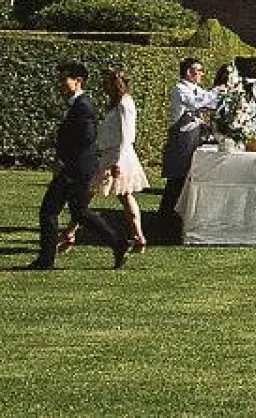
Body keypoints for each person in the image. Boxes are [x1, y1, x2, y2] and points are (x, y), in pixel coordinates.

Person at [30, 62, 128, 270]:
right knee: (78, 212)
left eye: (65, 79)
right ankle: (117, 243)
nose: (61, 85)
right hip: (77, 167)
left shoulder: (83, 105)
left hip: (76, 169)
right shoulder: (78, 104)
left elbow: (87, 137)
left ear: (78, 81)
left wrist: (65, 159)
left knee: (50, 211)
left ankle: (46, 259)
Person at [88, 66, 149, 254]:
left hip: (118, 155)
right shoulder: (116, 103)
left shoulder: (125, 104)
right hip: (111, 153)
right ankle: (138, 236)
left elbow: (127, 135)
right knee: (124, 196)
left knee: (89, 192)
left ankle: (69, 232)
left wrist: (118, 162)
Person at [158, 56, 213, 229]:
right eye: (199, 70)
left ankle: (178, 215)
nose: (201, 74)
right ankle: (165, 217)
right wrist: (218, 91)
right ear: (189, 71)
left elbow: (209, 101)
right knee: (177, 178)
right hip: (181, 139)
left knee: (187, 177)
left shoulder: (197, 89)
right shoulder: (180, 89)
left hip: (193, 138)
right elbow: (196, 103)